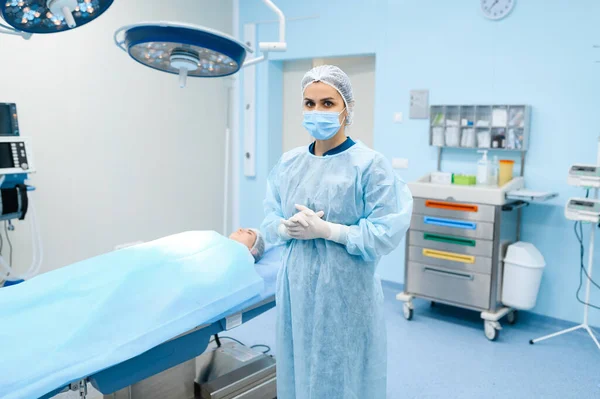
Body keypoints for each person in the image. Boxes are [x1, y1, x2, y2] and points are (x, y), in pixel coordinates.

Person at [261, 65, 413, 399]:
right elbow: (269, 219)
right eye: (309, 103)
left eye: (327, 103)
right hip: (296, 286)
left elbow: (385, 232)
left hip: (346, 289)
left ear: (347, 108)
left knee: (343, 370)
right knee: (298, 361)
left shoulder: (370, 165)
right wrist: (284, 227)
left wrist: (330, 231)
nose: (317, 112)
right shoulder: (289, 164)